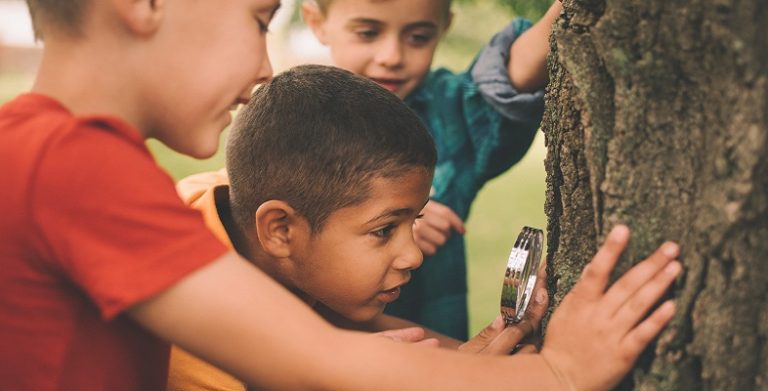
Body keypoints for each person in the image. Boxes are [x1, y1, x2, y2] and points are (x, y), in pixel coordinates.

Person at [0, 0, 682, 390]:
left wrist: (468, 362)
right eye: (260, 19)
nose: (266, 65)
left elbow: (332, 330)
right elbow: (321, 360)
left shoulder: (49, 156)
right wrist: (561, 372)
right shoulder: (71, 165)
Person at [166, 64, 551, 390]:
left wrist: (496, 362)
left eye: (414, 219)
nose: (414, 255)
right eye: (384, 230)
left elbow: (350, 327)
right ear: (281, 230)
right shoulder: (201, 355)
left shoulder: (242, 207)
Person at [302, 0, 564, 339]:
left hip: (436, 352)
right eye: (368, 33)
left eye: (418, 37)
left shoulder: (446, 115)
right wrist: (385, 229)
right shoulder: (293, 128)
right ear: (317, 22)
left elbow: (511, 77)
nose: (392, 55)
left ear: (444, 27)